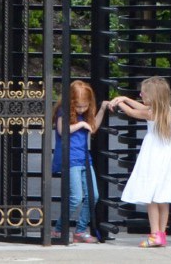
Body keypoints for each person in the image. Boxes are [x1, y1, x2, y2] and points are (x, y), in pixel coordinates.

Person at [109, 76, 171, 248]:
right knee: (162, 198)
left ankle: (154, 233)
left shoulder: (152, 113)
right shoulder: (165, 110)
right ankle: (161, 234)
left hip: (155, 156)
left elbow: (134, 113)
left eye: (144, 92)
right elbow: (141, 107)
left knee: (151, 196)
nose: (141, 94)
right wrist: (125, 98)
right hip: (168, 157)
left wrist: (118, 102)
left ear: (154, 96)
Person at [51, 80, 109, 244]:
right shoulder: (63, 112)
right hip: (70, 160)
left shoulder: (84, 114)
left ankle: (81, 230)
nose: (82, 109)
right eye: (78, 106)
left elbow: (93, 127)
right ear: (70, 102)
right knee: (76, 197)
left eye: (85, 106)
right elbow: (63, 131)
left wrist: (103, 108)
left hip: (84, 159)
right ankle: (59, 229)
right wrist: (81, 123)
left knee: (93, 196)